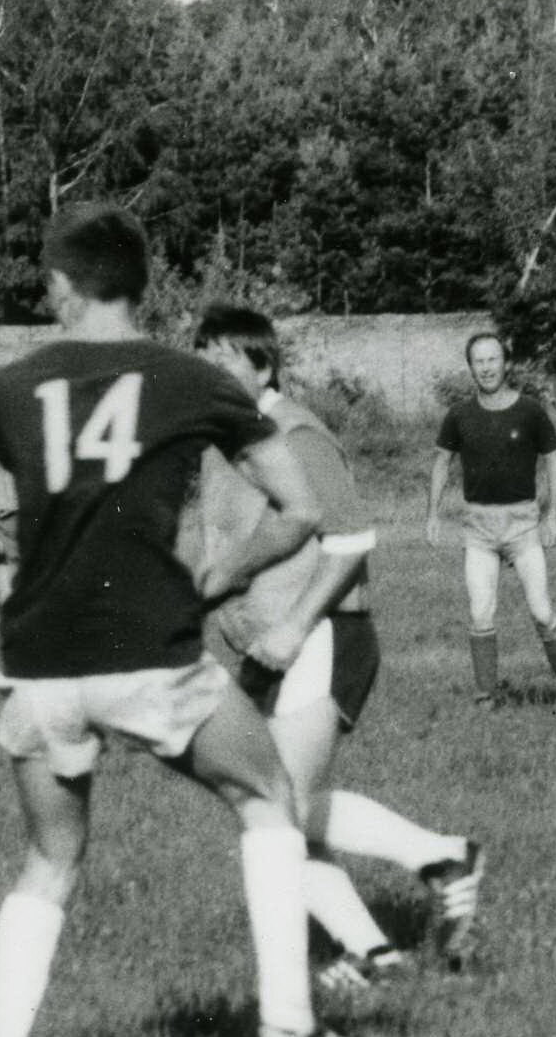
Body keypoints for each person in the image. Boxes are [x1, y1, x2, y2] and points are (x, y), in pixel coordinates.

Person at [0, 204, 394, 1037]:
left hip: (41, 664)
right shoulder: (189, 376)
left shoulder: (9, 383)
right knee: (269, 799)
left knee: (50, 858)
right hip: (151, 656)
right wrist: (220, 575)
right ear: (141, 283)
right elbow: (300, 510)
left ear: (60, 284)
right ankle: (292, 1036)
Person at [185, 306, 487, 987]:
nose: (207, 371)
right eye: (199, 357)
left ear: (263, 366)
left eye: (222, 358)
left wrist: (294, 625)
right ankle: (379, 948)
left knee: (274, 811)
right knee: (271, 808)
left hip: (322, 635)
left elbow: (352, 540)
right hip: (272, 650)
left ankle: (436, 865)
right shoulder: (220, 441)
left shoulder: (295, 434)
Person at [430, 329, 556, 702]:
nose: (486, 368)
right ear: (470, 368)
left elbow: (553, 459)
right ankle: (485, 699)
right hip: (477, 529)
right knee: (480, 614)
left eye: (492, 359)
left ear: (505, 363)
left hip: (523, 526)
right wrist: (432, 515)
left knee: (542, 612)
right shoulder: (459, 415)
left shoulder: (529, 411)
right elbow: (442, 461)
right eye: (479, 361)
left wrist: (553, 516)